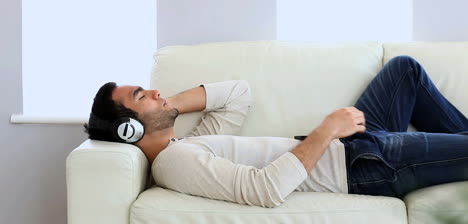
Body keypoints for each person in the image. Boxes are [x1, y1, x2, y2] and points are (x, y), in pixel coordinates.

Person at [84, 55, 468, 208]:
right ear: (130, 129)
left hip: (355, 142)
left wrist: (168, 106)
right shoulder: (177, 163)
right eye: (142, 96)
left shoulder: (189, 143)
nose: (154, 91)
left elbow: (238, 95)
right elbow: (263, 190)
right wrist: (326, 131)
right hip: (365, 164)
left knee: (405, 71)